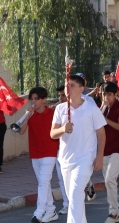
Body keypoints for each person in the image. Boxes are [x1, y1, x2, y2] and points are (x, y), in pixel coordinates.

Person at [51, 74, 107, 223]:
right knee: (73, 198)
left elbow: (101, 134)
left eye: (72, 85)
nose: (68, 88)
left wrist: (99, 156)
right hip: (65, 159)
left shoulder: (91, 108)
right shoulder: (60, 109)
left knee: (76, 194)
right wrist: (63, 128)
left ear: (82, 88)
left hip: (85, 158)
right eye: (66, 85)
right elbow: (52, 134)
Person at [20, 87, 59, 223]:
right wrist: (26, 116)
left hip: (49, 151)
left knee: (43, 182)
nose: (33, 101)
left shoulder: (53, 113)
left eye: (36, 99)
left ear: (44, 100)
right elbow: (21, 131)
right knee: (44, 183)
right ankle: (51, 210)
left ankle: (39, 212)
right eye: (32, 99)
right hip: (35, 153)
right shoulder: (30, 115)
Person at [99, 82, 119, 223]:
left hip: (118, 148)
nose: (106, 97)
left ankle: (113, 213)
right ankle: (115, 212)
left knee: (110, 178)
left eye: (109, 95)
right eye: (104, 94)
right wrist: (101, 109)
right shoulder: (101, 108)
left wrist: (105, 120)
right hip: (104, 149)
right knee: (108, 181)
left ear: (115, 94)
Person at [54, 86, 70, 215]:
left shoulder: (78, 109)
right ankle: (67, 204)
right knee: (61, 178)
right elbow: (53, 132)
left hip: (76, 152)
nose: (61, 98)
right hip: (60, 151)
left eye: (63, 95)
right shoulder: (57, 110)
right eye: (59, 96)